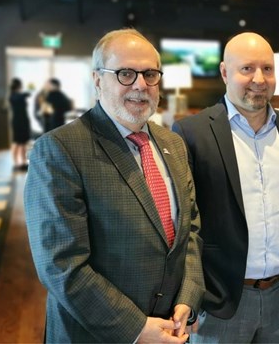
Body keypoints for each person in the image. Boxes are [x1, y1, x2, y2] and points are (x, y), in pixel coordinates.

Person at [24, 28, 204, 343]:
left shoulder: (173, 145)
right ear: (97, 80)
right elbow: (61, 265)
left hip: (171, 331)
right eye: (125, 74)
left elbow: (190, 233)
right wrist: (136, 329)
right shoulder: (60, 149)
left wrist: (187, 300)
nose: (140, 85)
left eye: (150, 74)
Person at [172, 32, 279, 343]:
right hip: (220, 301)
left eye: (267, 69)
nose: (259, 79)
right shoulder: (192, 133)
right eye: (247, 69)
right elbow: (184, 223)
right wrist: (189, 296)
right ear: (225, 72)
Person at [7, 77, 31, 171]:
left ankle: (23, 162)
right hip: (18, 121)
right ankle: (16, 163)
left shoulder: (17, 95)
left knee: (23, 143)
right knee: (17, 142)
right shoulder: (13, 96)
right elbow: (25, 95)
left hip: (23, 120)